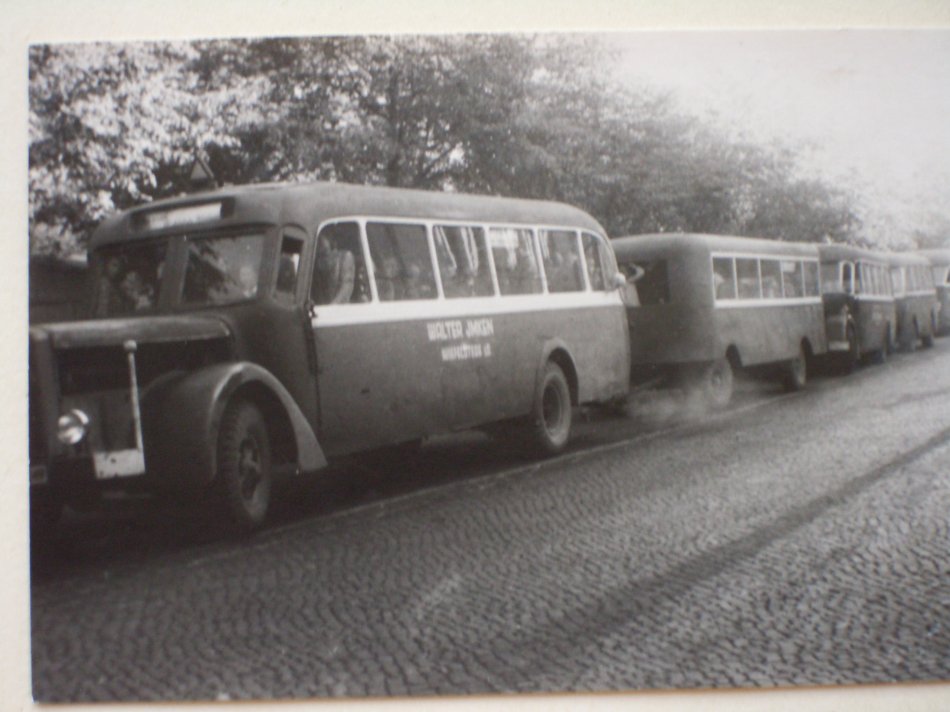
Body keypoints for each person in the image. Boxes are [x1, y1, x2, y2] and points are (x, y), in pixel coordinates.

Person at [314, 235, 355, 304]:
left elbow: (346, 287)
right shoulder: (317, 261)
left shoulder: (345, 257)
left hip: (340, 308)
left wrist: (332, 306)